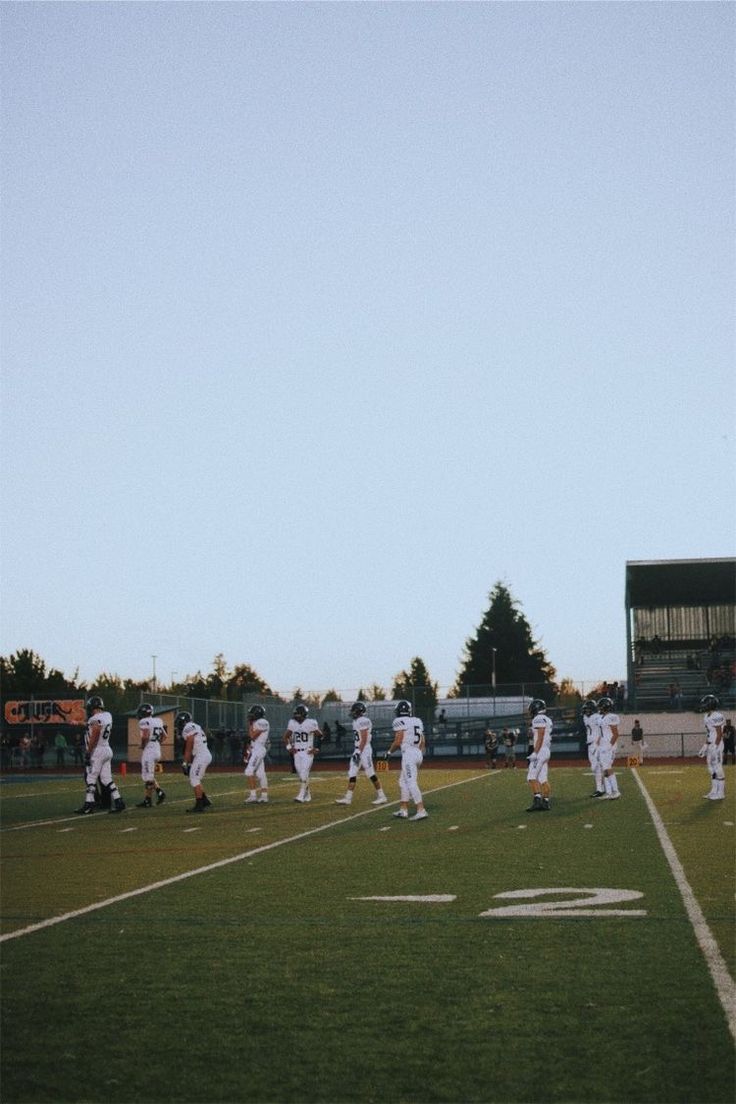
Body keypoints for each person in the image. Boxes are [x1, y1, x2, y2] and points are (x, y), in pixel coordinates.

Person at [74, 696, 126, 815]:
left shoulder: (95, 718)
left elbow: (95, 732)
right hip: (107, 748)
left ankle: (89, 805)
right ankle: (119, 801)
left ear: (92, 707)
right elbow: (93, 725)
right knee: (106, 779)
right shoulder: (107, 715)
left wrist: (88, 752)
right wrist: (78, 723)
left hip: (97, 750)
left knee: (91, 778)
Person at [335, 702, 387, 806]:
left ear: (359, 711)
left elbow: (364, 739)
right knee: (352, 772)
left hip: (364, 749)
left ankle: (382, 796)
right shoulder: (356, 721)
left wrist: (359, 752)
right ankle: (348, 798)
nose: (352, 713)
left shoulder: (364, 720)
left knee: (370, 772)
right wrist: (357, 751)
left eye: (354, 711)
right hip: (358, 749)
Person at [384, 700, 427, 821]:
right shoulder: (417, 720)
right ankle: (403, 810)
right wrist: (419, 755)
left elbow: (398, 741)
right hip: (417, 752)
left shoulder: (398, 721)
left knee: (410, 782)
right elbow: (423, 741)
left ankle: (421, 809)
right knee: (403, 781)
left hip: (409, 754)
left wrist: (389, 752)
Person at [176, 710, 213, 813]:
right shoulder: (195, 726)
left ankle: (199, 805)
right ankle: (204, 800)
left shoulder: (187, 728)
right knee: (194, 777)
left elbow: (189, 745)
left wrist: (185, 762)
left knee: (194, 778)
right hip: (202, 754)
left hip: (201, 755)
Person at [284, 704, 320, 803]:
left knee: (304, 773)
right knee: (301, 775)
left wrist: (316, 748)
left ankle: (300, 795)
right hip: (297, 753)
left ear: (303, 714)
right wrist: (289, 748)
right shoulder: (292, 723)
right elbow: (286, 736)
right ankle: (308, 794)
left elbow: (320, 736)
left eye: (298, 714)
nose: (296, 716)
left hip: (307, 752)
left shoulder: (311, 723)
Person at [136, 703, 166, 808]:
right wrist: (156, 743)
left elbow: (145, 735)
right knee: (149, 775)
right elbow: (164, 736)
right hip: (157, 748)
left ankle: (160, 793)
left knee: (147, 776)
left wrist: (142, 745)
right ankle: (147, 800)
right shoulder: (158, 720)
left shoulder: (144, 721)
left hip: (149, 749)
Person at [526, 699, 553, 811]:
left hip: (541, 751)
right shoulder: (548, 719)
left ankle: (537, 801)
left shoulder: (538, 719)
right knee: (543, 779)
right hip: (546, 750)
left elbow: (540, 736)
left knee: (531, 777)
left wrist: (535, 752)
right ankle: (545, 802)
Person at [698, 694, 725, 801]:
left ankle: (721, 793)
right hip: (711, 744)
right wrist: (705, 745)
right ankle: (714, 791)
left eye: (705, 703)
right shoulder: (707, 716)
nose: (703, 705)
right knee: (711, 768)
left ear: (710, 704)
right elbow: (709, 733)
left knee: (718, 768)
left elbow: (719, 734)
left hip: (717, 745)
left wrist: (715, 746)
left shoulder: (717, 715)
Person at [243, 705, 270, 804]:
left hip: (259, 749)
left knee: (249, 771)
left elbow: (253, 736)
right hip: (255, 749)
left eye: (252, 714)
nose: (250, 716)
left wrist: (250, 725)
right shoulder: (257, 722)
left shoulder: (262, 722)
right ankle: (264, 796)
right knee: (260, 773)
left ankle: (253, 796)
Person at [597, 696, 621, 800]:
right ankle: (608, 792)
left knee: (607, 768)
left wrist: (609, 746)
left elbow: (616, 734)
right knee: (604, 769)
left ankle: (616, 791)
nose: (600, 708)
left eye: (601, 707)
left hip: (608, 745)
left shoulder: (612, 717)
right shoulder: (601, 717)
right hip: (603, 745)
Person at [582, 699, 604, 797]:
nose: (586, 711)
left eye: (587, 709)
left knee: (598, 766)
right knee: (595, 767)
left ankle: (602, 788)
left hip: (596, 744)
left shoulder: (597, 717)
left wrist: (599, 742)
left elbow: (602, 729)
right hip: (590, 744)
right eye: (585, 710)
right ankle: (600, 788)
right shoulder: (586, 717)